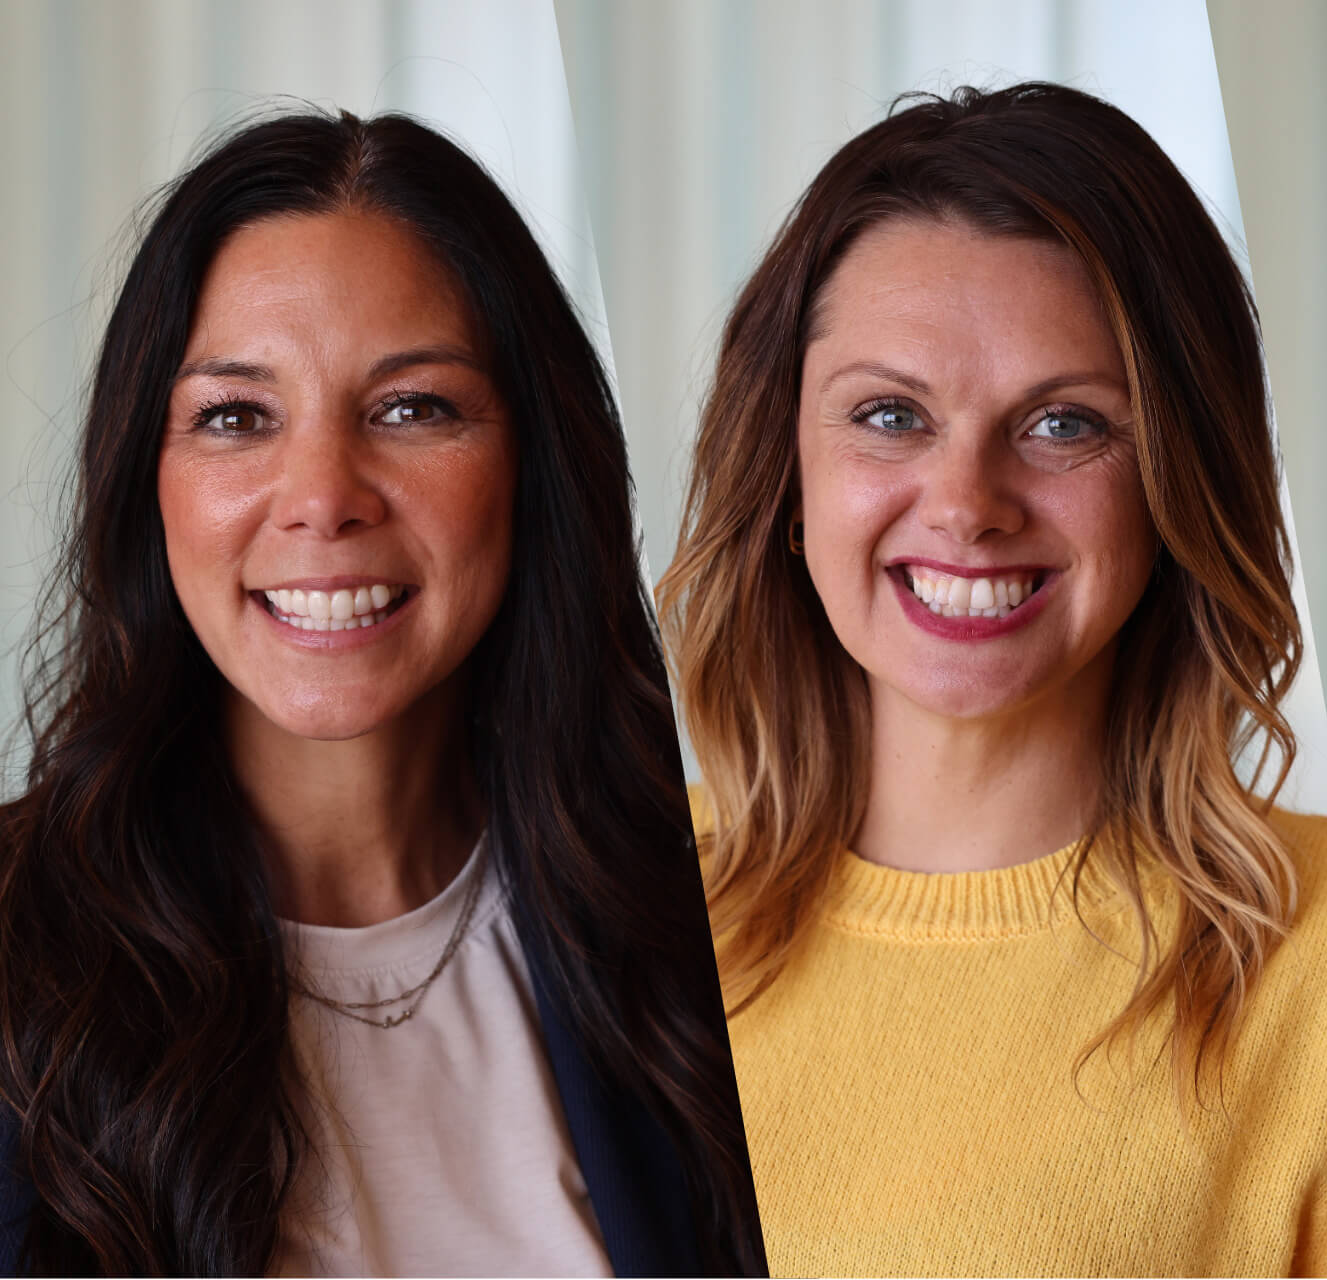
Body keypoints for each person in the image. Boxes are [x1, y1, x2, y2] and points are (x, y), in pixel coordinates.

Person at [658, 82, 1327, 1276]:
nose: (966, 505)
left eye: (1064, 424)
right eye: (891, 413)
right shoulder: (608, 903)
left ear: (1175, 480)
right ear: (785, 473)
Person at [0, 112, 762, 1275]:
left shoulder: (706, 927)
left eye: (412, 407)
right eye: (235, 416)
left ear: (531, 461)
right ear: (145, 482)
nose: (321, 497)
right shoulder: (20, 960)